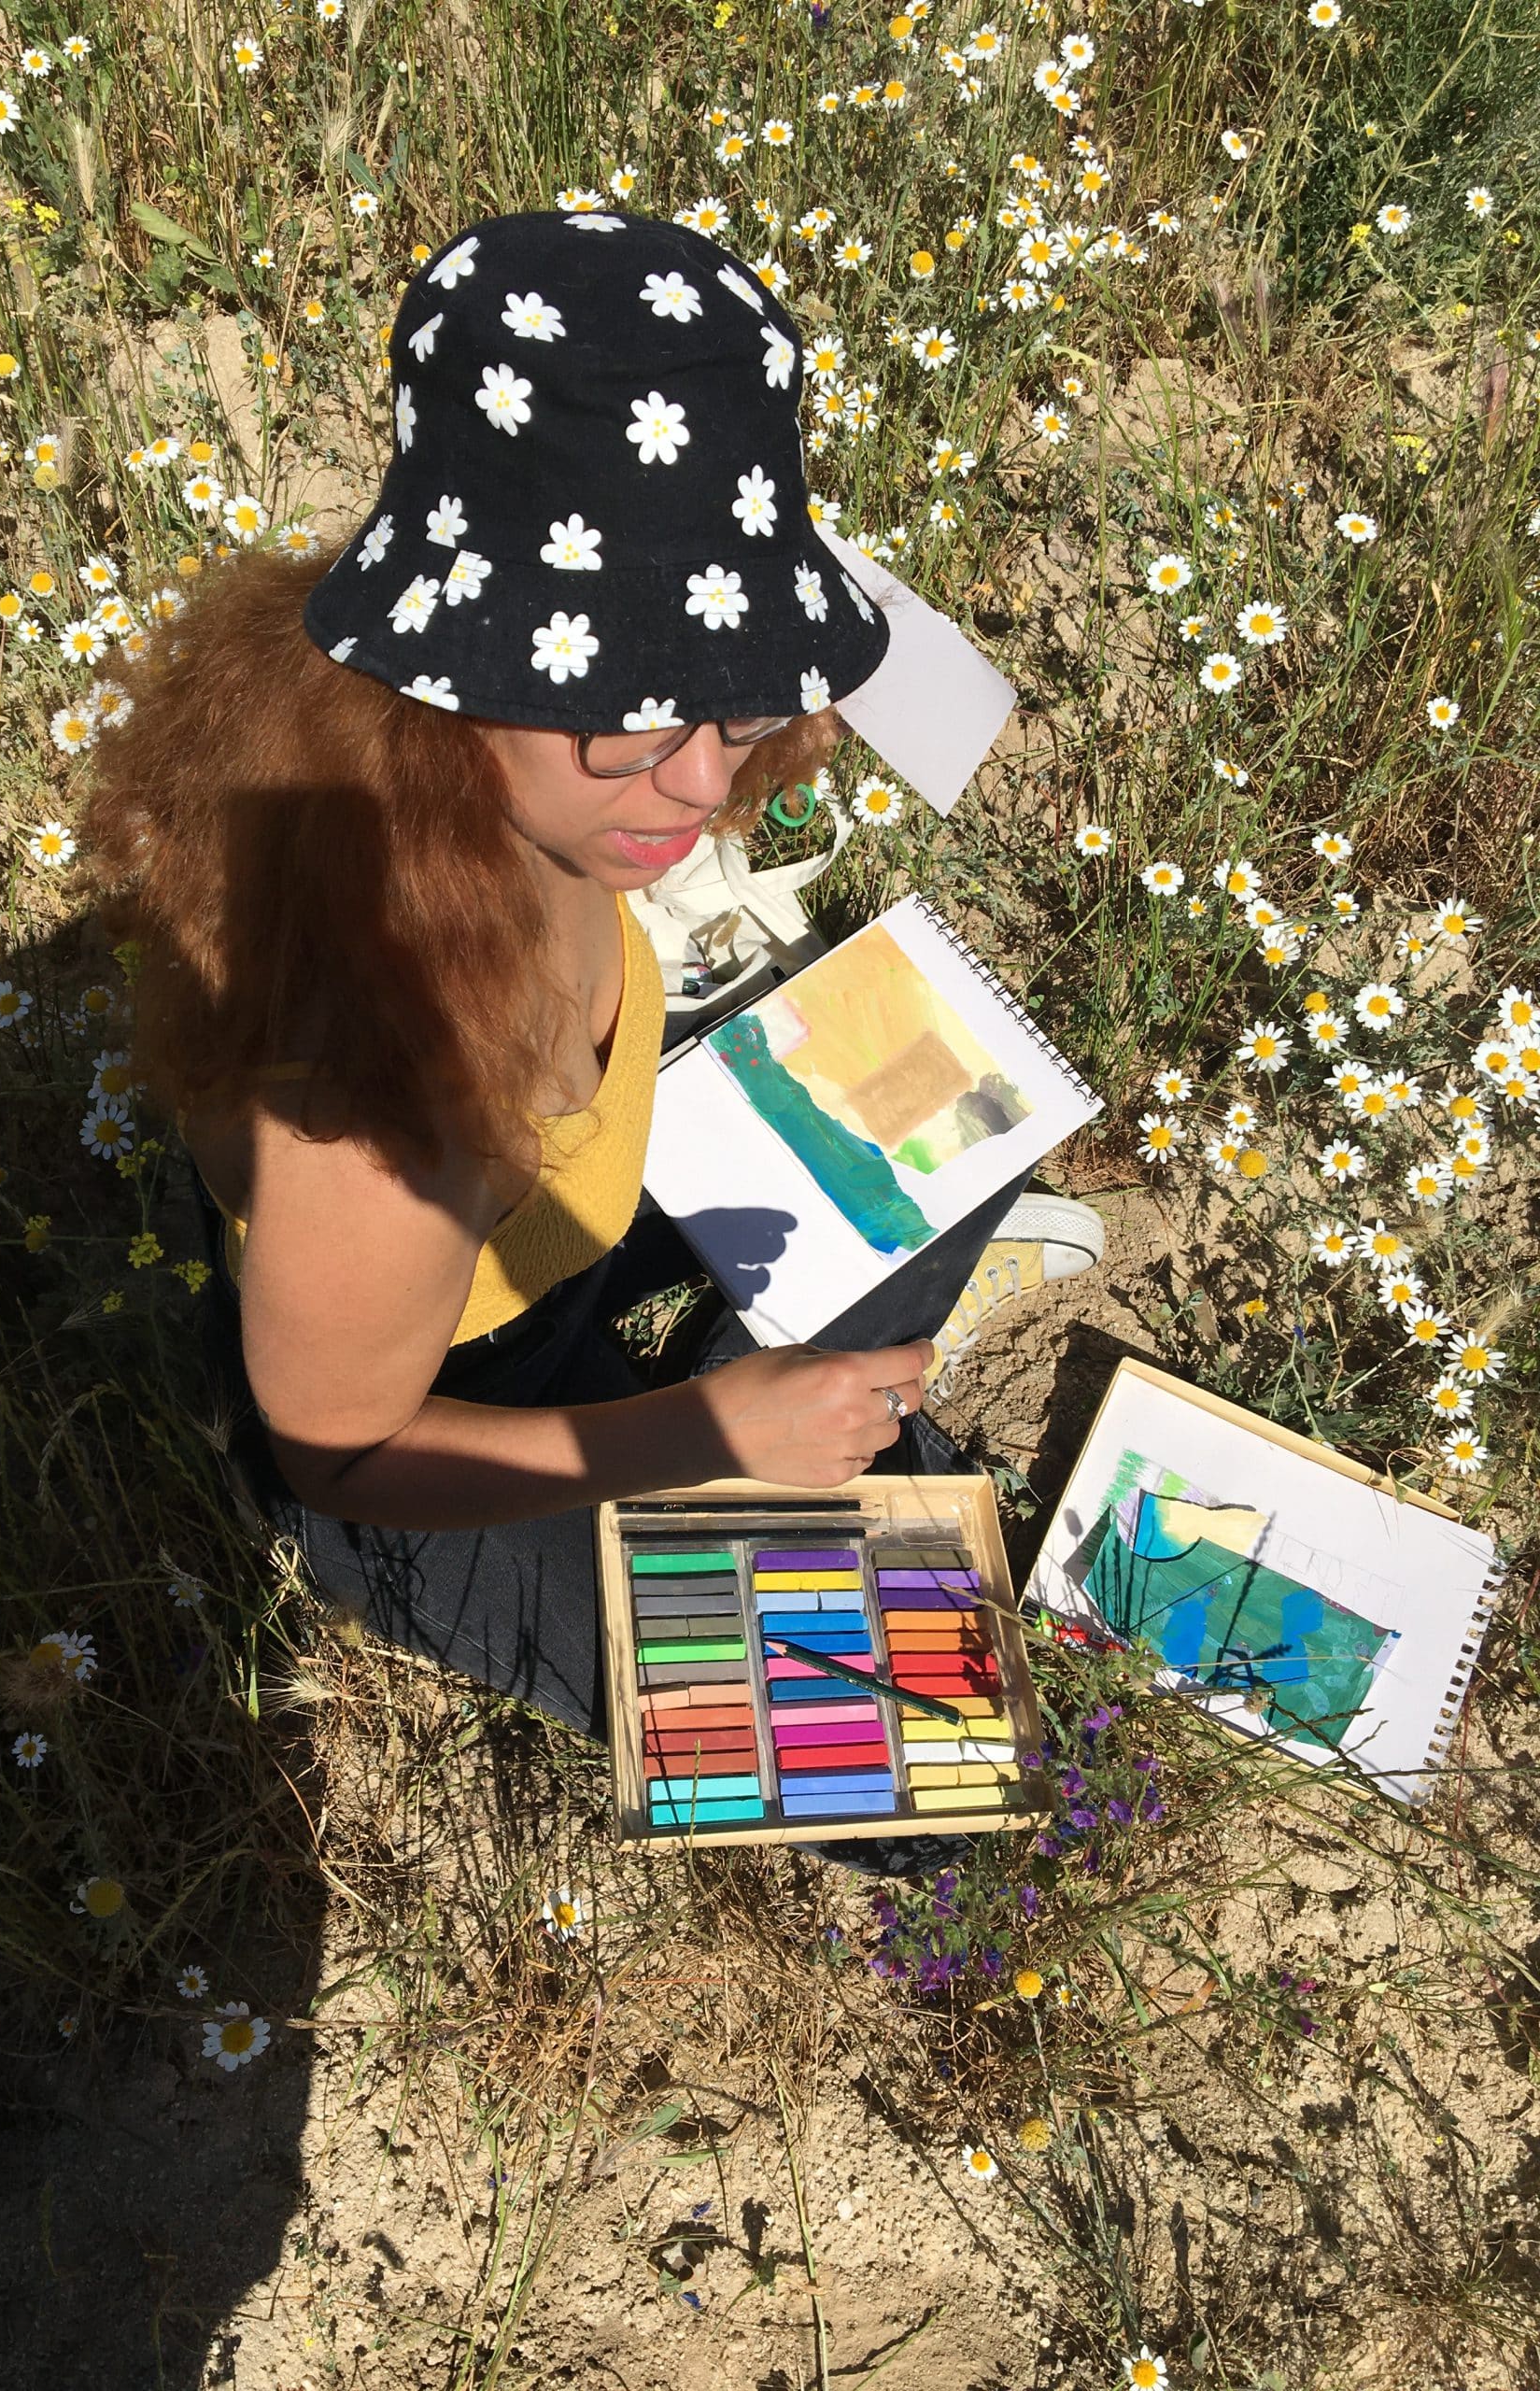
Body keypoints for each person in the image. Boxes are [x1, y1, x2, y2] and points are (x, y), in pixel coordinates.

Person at [76, 206, 1102, 1753]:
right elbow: (341, 1457)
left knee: (957, 1111)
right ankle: (754, 1417)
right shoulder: (384, 1082)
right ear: (458, 676)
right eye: (627, 720)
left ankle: (782, 1409)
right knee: (915, 1751)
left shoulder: (491, 784)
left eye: (743, 705)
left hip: (579, 1234)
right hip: (442, 1443)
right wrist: (706, 1431)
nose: (696, 784)